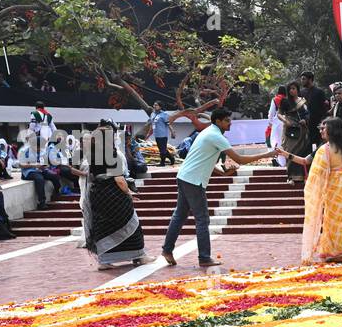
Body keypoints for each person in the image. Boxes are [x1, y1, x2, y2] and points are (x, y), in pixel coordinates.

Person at [161, 107, 277, 268]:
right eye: (227, 121)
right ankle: (204, 257)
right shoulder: (216, 136)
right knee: (202, 219)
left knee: (179, 215)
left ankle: (167, 249)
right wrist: (266, 155)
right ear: (218, 121)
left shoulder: (208, 132)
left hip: (184, 176)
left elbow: (201, 159)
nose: (230, 124)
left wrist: (222, 174)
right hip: (193, 181)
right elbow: (240, 159)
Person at [301, 117, 342, 263]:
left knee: (333, 218)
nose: (322, 130)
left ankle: (335, 250)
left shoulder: (324, 149)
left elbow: (317, 173)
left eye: (325, 128)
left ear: (332, 130)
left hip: (335, 186)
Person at [83, 122, 147, 269]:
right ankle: (138, 256)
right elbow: (119, 179)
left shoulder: (92, 153)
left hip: (97, 194)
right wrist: (129, 193)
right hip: (114, 194)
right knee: (132, 222)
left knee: (104, 226)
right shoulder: (111, 153)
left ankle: (104, 260)